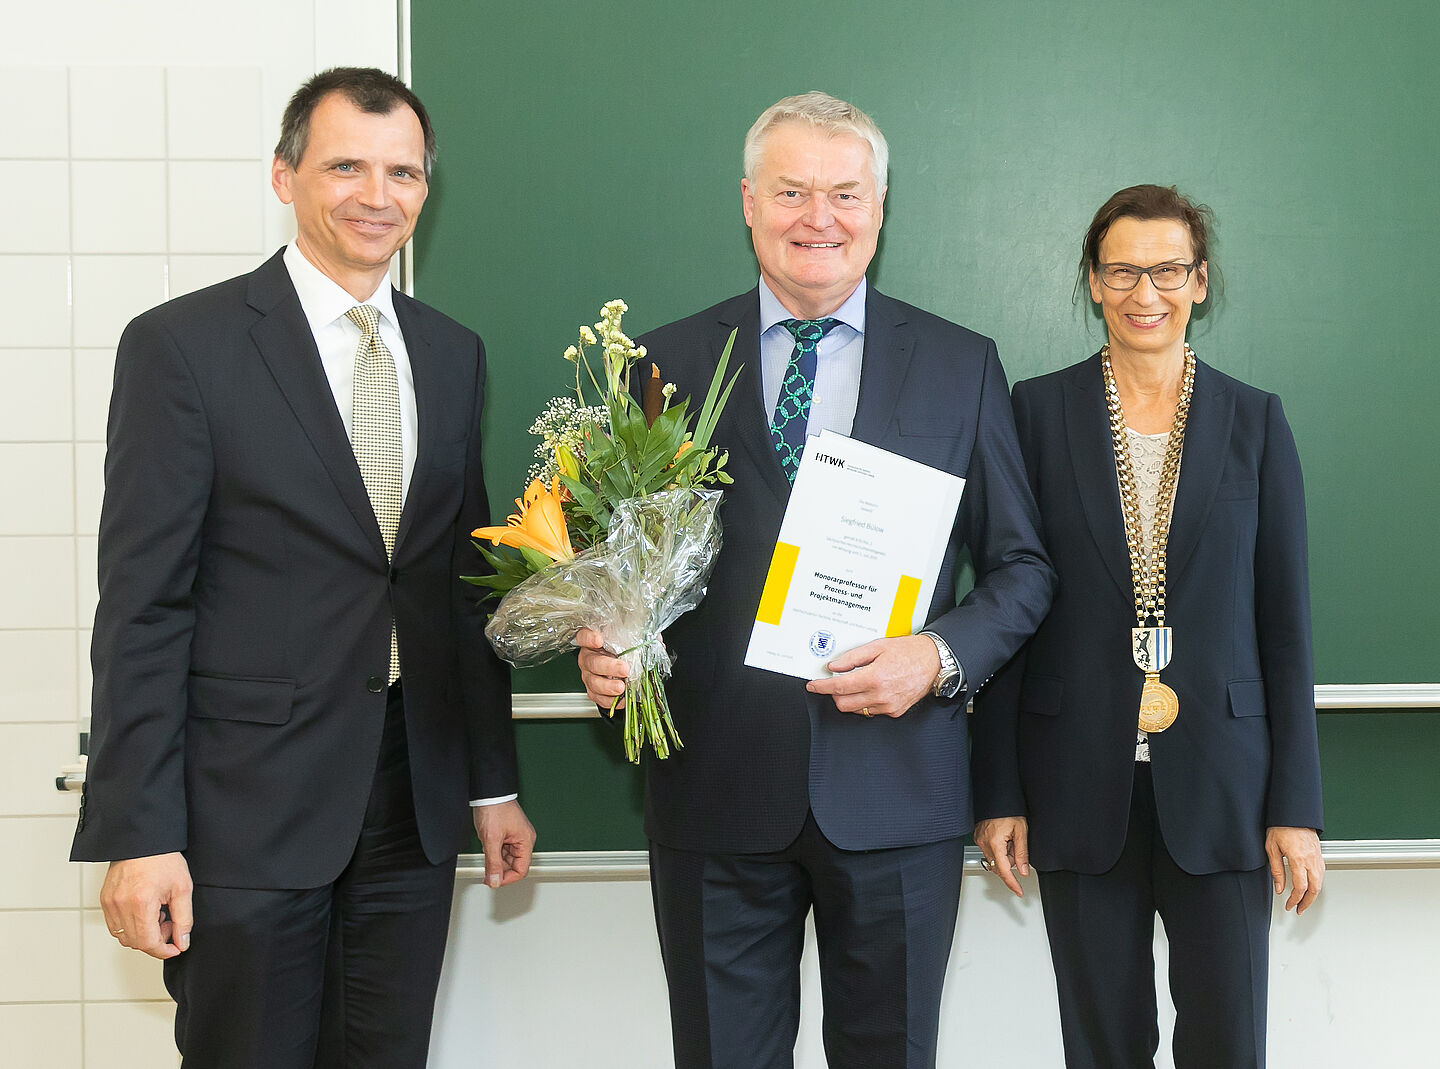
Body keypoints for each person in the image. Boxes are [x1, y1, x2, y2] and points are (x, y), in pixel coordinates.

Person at [576, 91, 1054, 1068]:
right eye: (792, 191)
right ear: (749, 201)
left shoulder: (960, 365)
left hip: (899, 796)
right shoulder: (656, 366)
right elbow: (607, 569)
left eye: (844, 192)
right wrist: (603, 639)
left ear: (880, 207)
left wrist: (938, 653)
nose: (818, 217)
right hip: (711, 791)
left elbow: (1022, 568)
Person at [70, 67, 535, 1068]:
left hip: (411, 803)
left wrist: (491, 782)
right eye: (346, 167)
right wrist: (140, 830)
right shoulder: (182, 349)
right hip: (244, 812)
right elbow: (143, 607)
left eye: (403, 172)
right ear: (284, 176)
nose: (379, 195)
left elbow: (461, 586)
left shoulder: (452, 355)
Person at [972, 184, 1325, 1068]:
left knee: (1227, 1041)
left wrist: (1297, 806)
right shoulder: (1036, 413)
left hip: (1227, 791)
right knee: (1101, 1044)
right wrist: (999, 790)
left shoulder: (1255, 419)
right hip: (1076, 784)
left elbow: (1286, 627)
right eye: (1122, 270)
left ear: (1200, 282)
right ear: (1092, 282)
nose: (1145, 292)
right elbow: (1009, 605)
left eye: (1167, 269)